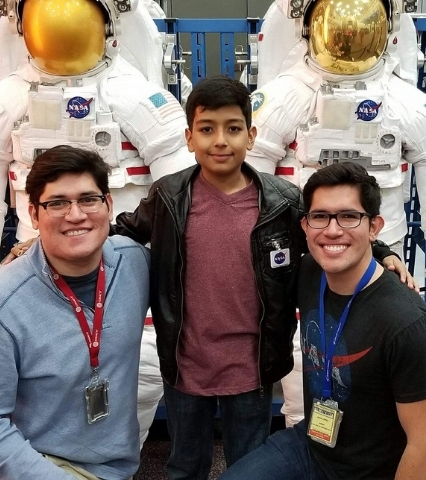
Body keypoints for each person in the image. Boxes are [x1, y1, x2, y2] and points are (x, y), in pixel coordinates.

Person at [111, 75, 410, 480]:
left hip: (250, 369)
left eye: (233, 129)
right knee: (184, 465)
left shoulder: (281, 202)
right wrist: (41, 244)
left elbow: (326, 228)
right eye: (207, 129)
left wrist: (384, 252)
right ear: (188, 137)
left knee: (248, 465)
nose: (221, 140)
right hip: (184, 364)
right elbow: (124, 229)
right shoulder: (168, 197)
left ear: (251, 136)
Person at [0, 0, 195, 449]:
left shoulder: (137, 98)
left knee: (135, 385)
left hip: (116, 284)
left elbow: (181, 195)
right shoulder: (5, 102)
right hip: (34, 279)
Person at [217, 162, 426, 480]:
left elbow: (422, 444)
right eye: (320, 216)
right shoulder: (308, 272)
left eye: (349, 216)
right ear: (305, 225)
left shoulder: (405, 323)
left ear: (374, 227)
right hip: (311, 445)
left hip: (370, 470)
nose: (332, 229)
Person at [0, 145, 150, 480]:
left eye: (88, 199)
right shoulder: (1, 305)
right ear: (34, 214)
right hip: (43, 464)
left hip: (120, 466)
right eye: (57, 203)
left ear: (108, 204)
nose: (76, 215)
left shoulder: (135, 262)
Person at [248, 0, 425, 261]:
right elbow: (250, 193)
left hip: (382, 243)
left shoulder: (406, 103)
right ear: (306, 26)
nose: (348, 34)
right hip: (303, 241)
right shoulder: (284, 98)